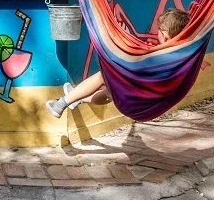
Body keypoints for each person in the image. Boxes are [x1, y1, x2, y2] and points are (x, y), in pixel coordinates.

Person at [45, 8, 191, 118]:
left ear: (165, 36)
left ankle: (62, 103)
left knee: (105, 75)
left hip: (134, 100)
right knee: (111, 92)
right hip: (145, 102)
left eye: (158, 31)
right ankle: (79, 98)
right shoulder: (185, 54)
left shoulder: (157, 56)